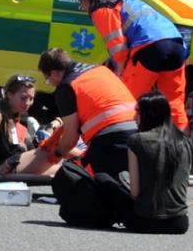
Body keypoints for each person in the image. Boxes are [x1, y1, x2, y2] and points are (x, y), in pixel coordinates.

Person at [75, 0, 188, 131]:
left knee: (127, 100)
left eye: (81, 2)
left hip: (150, 46)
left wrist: (120, 75)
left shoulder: (102, 10)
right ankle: (183, 144)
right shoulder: (125, 0)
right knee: (174, 101)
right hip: (176, 44)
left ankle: (126, 141)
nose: (83, 7)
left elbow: (118, 48)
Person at [39, 48, 138, 178]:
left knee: (72, 178)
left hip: (111, 139)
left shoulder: (66, 88)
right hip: (137, 131)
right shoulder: (99, 70)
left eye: (47, 79)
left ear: (55, 73)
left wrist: (56, 154)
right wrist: (52, 140)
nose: (50, 84)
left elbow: (71, 139)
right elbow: (73, 122)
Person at [111, 91, 193, 233]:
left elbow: (135, 193)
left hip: (145, 220)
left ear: (149, 114)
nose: (134, 117)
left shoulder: (137, 140)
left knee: (103, 179)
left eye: (138, 112)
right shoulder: (186, 142)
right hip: (179, 223)